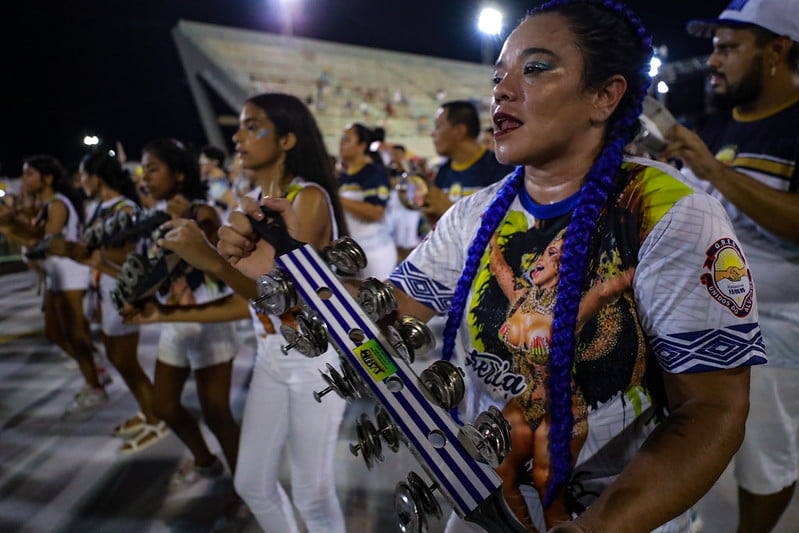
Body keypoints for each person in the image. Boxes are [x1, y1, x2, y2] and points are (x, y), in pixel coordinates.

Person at [217, 2, 767, 532]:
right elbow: (378, 319)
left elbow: (712, 410)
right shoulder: (474, 215)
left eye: (534, 69)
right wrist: (290, 271)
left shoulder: (669, 214)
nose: (502, 89)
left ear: (604, 95)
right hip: (483, 501)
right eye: (498, 76)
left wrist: (596, 529)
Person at [144, 93, 349, 533]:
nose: (237, 135)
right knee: (252, 483)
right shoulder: (254, 200)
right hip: (270, 356)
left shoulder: (308, 199)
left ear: (288, 139)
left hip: (315, 363)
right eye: (239, 125)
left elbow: (286, 297)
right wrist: (163, 315)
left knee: (311, 495)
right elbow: (248, 300)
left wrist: (210, 259)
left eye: (252, 125)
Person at [662, 1, 799, 531]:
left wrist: (712, 170)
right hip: (698, 315)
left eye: (729, 47)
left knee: (763, 457)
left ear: (777, 49)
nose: (713, 60)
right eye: (713, 47)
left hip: (778, 329)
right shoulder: (716, 123)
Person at [136, 138, 241, 486]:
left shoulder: (203, 213)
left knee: (217, 413)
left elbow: (211, 269)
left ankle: (246, 491)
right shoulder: (156, 215)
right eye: (144, 169)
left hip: (209, 321)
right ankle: (205, 461)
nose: (144, 177)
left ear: (178, 175)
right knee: (163, 406)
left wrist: (181, 222)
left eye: (153, 169)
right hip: (174, 321)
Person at [49, 152, 168, 452]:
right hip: (104, 288)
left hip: (123, 289)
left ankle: (159, 419)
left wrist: (80, 251)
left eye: (83, 174)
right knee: (118, 359)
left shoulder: (123, 208)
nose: (80, 181)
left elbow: (126, 253)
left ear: (96, 177)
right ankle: (149, 411)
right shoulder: (98, 206)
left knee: (125, 361)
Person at [0, 155, 105, 417]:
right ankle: (94, 368)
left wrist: (10, 224)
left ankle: (94, 385)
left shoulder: (58, 204)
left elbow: (46, 242)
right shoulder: (47, 204)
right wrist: (11, 223)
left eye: (29, 174)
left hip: (70, 272)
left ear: (47, 178)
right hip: (57, 274)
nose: (24, 180)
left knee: (73, 333)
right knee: (55, 331)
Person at [422, 100, 514, 224]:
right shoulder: (443, 173)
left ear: (459, 131)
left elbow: (506, 224)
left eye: (438, 126)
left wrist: (451, 209)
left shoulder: (501, 168)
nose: (432, 134)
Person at [337, 123, 396, 279]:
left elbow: (376, 212)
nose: (341, 143)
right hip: (351, 253)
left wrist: (338, 199)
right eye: (341, 138)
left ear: (362, 145)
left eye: (347, 139)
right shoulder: (343, 176)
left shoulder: (373, 173)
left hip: (374, 253)